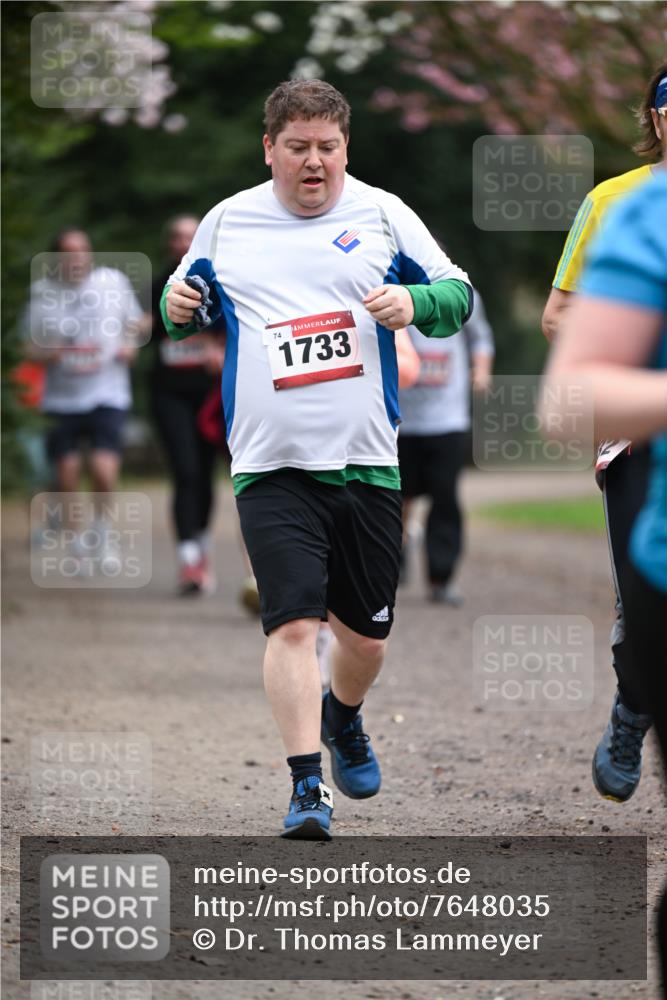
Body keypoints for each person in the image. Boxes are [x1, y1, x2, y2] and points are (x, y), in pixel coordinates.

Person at [162, 79, 472, 839]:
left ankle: (345, 717)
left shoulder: (381, 212)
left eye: (326, 149)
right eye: (297, 148)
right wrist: (174, 308)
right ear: (268, 149)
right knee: (292, 625)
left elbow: (455, 293)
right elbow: (185, 303)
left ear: (344, 149)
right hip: (268, 465)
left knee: (365, 639)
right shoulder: (229, 220)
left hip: (366, 462)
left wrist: (414, 306)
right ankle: (306, 789)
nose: (313, 163)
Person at [542, 169, 667, 996]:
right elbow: (569, 368)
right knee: (636, 608)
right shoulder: (630, 207)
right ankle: (636, 700)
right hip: (643, 452)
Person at [539, 62, 667, 804]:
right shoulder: (619, 203)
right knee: (642, 594)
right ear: (653, 118)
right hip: (638, 435)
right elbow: (559, 316)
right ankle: (635, 704)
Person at [23, 228, 146, 568]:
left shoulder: (113, 282)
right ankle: (77, 540)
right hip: (61, 400)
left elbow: (139, 324)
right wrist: (50, 353)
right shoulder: (42, 293)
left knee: (104, 471)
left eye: (82, 250)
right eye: (69, 252)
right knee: (66, 473)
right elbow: (26, 346)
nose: (77, 257)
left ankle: (103, 534)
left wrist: (130, 346)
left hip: (108, 393)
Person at [398, 289, 494, 603]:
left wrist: (481, 370)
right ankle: (393, 556)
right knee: (395, 497)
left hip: (447, 418)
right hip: (399, 418)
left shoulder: (461, 294)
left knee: (444, 497)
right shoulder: (390, 291)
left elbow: (480, 337)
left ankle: (441, 578)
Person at [151, 216, 226, 596]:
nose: (183, 242)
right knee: (185, 472)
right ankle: (188, 558)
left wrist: (221, 348)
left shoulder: (220, 279)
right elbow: (143, 333)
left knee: (205, 473)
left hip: (211, 395)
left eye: (189, 235)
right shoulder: (158, 284)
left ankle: (201, 543)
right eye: (176, 235)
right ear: (169, 242)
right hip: (169, 395)